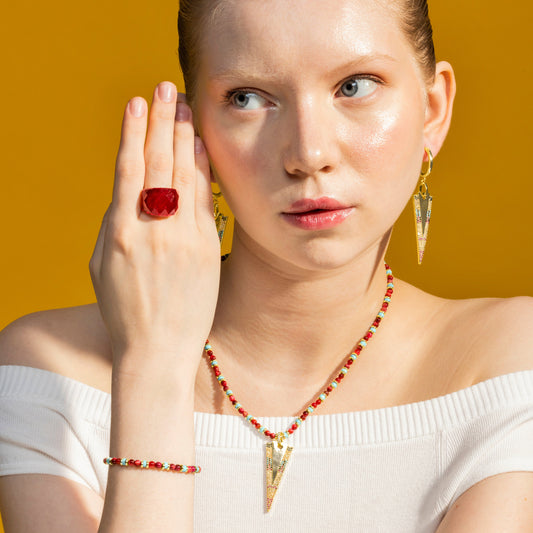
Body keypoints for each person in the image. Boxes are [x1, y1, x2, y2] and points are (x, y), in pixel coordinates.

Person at [0, 0, 532, 531]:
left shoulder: (508, 364)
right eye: (248, 98)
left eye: (355, 86)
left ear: (433, 110)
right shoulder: (46, 377)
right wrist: (153, 366)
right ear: (195, 134)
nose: (308, 153)